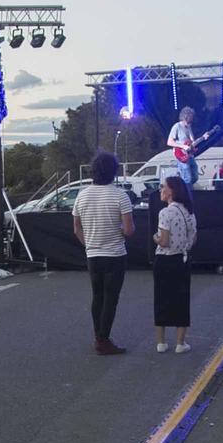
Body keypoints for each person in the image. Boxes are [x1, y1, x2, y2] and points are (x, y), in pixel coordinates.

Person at [72, 151, 135, 355]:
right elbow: (128, 230)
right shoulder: (120, 196)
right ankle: (103, 338)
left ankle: (98, 335)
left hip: (93, 254)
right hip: (115, 254)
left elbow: (76, 227)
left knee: (97, 296)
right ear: (113, 172)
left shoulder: (82, 195)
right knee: (111, 298)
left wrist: (88, 243)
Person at [152, 175, 196, 353]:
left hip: (164, 259)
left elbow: (163, 241)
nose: (161, 190)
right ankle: (180, 343)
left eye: (163, 187)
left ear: (172, 191)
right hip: (182, 259)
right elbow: (193, 238)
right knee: (181, 299)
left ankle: (161, 342)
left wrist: (154, 238)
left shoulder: (165, 213)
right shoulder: (189, 213)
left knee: (161, 298)